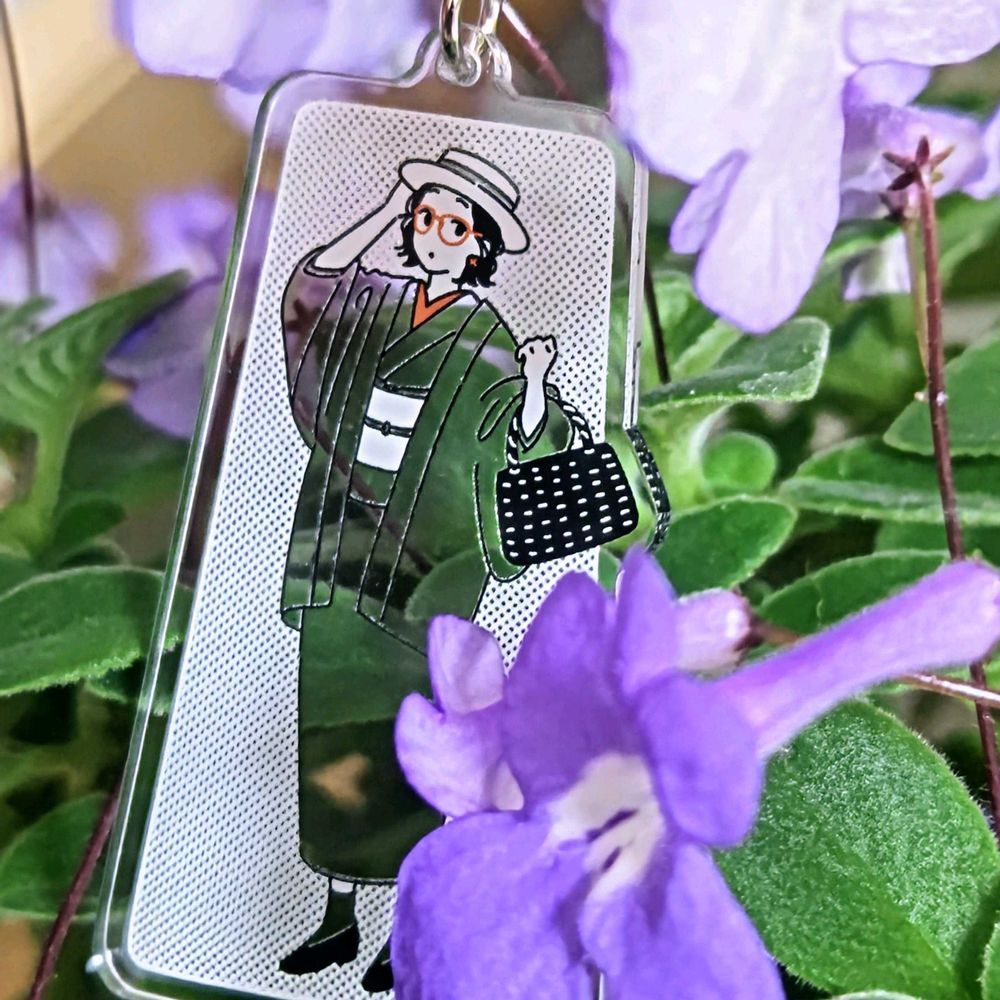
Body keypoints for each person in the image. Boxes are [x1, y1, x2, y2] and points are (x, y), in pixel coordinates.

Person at [277, 148, 573, 992]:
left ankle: (394, 935)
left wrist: (537, 384)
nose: (435, 233)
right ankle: (336, 917)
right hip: (343, 525)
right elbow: (309, 287)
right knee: (325, 717)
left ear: (478, 246)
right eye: (425, 219)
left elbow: (528, 440)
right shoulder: (375, 302)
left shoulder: (488, 332)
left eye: (454, 224)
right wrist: (385, 206)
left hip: (427, 550)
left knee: (428, 749)